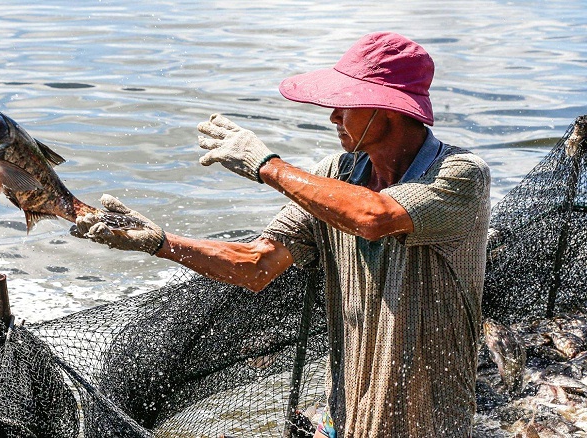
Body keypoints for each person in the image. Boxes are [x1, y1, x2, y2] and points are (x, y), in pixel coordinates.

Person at [73, 32, 491, 438]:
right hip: (348, 408)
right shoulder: (337, 174)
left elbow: (374, 216)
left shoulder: (460, 175)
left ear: (388, 110)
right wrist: (160, 243)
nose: (332, 117)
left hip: (429, 415)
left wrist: (266, 165)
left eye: (344, 105)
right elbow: (257, 265)